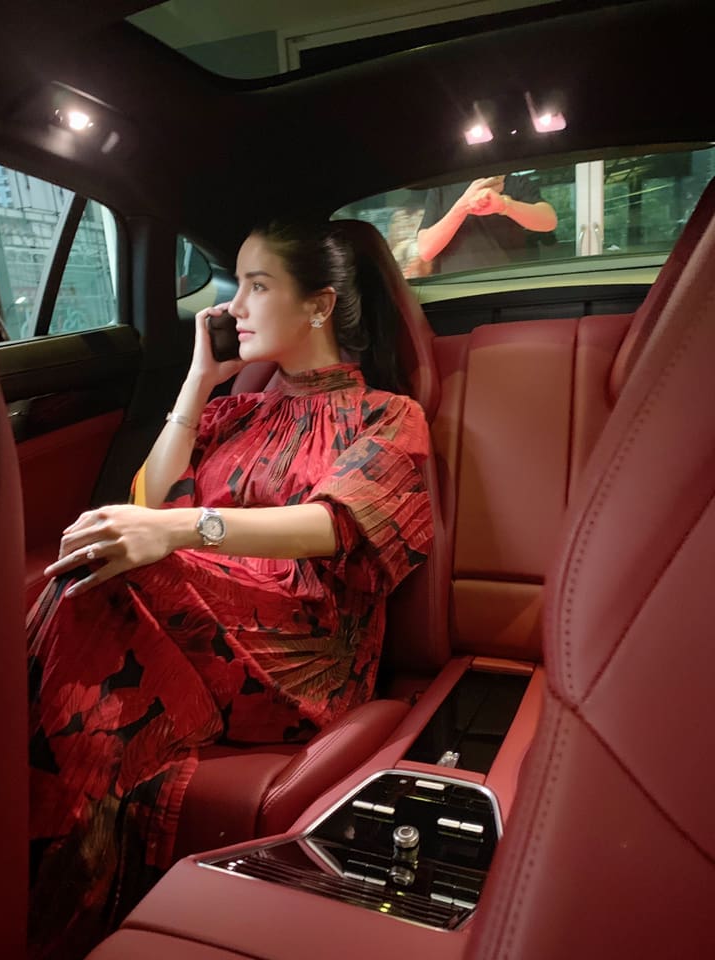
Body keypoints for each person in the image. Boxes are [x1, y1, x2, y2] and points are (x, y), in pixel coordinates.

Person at [27, 218, 434, 959]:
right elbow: (149, 500)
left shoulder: (387, 414)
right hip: (199, 615)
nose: (231, 306)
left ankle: (49, 894)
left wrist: (181, 532)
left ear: (318, 305)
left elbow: (334, 524)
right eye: (234, 284)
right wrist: (197, 383)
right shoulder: (234, 411)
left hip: (303, 647)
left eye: (257, 285)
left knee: (105, 572)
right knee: (96, 564)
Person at [417, 173, 558, 273]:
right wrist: (463, 205)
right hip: (459, 289)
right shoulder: (443, 188)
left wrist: (504, 205)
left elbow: (549, 221)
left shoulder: (517, 182)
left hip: (514, 284)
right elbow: (426, 250)